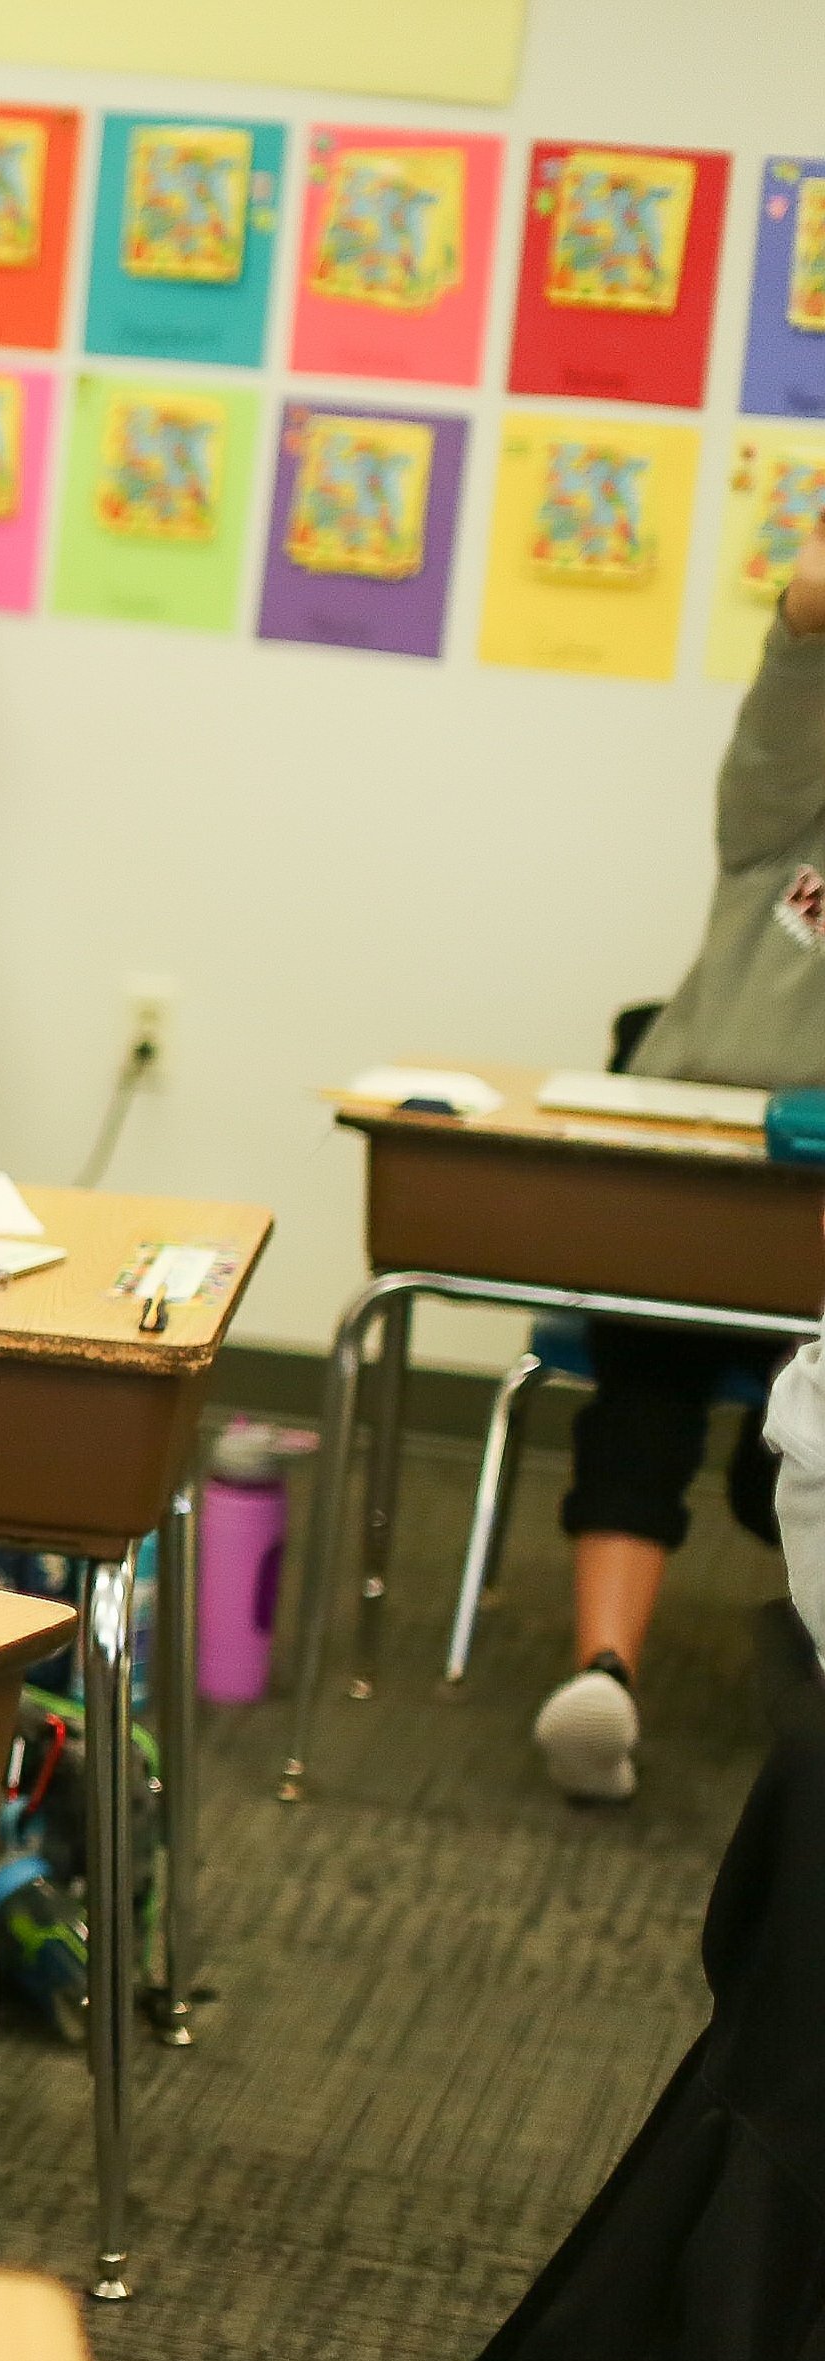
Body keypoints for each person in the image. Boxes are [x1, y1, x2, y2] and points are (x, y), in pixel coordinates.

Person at [526, 538, 825, 1801]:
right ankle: (602, 1675)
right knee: (641, 1374)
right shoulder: (779, 832)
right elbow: (802, 636)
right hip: (696, 1183)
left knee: (783, 1471)